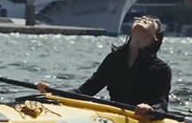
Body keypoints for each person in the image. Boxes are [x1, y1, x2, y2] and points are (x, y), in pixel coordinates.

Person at [36, 16, 171, 117]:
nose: (143, 19)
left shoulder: (161, 69)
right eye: (140, 18)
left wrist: (150, 109)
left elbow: (162, 105)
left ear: (156, 37)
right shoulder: (114, 59)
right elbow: (84, 92)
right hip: (116, 116)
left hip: (142, 120)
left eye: (149, 20)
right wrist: (52, 92)